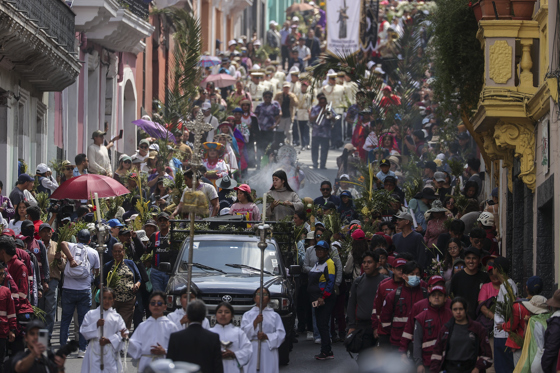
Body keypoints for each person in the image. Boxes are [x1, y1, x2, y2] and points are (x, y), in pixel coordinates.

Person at [58, 229, 101, 355]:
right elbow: (97, 271)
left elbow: (62, 243)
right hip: (84, 290)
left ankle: (62, 349)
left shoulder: (71, 246)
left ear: (77, 239)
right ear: (89, 240)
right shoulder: (94, 252)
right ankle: (82, 349)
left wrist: (71, 259)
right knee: (83, 321)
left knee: (66, 320)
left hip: (68, 289)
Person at [430, 297, 493, 373]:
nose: (458, 312)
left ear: (466, 310)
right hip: (450, 369)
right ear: (451, 311)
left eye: (461, 309)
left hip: (470, 369)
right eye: (455, 309)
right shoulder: (446, 329)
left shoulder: (478, 328)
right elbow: (437, 352)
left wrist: (477, 368)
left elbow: (487, 355)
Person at [380, 260, 427, 349]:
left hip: (420, 343)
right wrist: (394, 334)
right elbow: (385, 320)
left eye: (417, 274)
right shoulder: (394, 296)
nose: (415, 277)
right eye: (412, 274)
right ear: (403, 275)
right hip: (397, 342)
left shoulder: (425, 295)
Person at [346, 250, 387, 354]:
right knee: (364, 359)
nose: (366, 265)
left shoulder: (385, 281)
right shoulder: (358, 282)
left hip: (381, 326)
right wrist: (351, 326)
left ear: (377, 264)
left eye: (369, 262)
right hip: (362, 327)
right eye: (364, 262)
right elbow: (351, 303)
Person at [129, 291, 180, 372]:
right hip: (146, 363)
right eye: (153, 303)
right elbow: (133, 345)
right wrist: (143, 349)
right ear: (149, 306)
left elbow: (178, 348)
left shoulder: (171, 326)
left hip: (164, 363)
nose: (156, 305)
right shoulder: (142, 326)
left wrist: (164, 351)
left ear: (165, 306)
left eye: (159, 303)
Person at [80, 287, 128, 373]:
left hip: (110, 351)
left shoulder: (117, 317)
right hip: (94, 349)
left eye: (110, 298)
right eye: (104, 298)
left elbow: (124, 333)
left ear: (114, 299)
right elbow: (83, 331)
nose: (106, 301)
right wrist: (96, 325)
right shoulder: (91, 314)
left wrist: (110, 340)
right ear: (99, 299)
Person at [167, 300, 224, 372]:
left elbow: (169, 365)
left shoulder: (175, 337)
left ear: (188, 316)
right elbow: (218, 367)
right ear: (204, 317)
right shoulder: (213, 337)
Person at [501, 276, 545, 367]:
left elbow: (511, 326)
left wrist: (502, 326)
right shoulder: (545, 305)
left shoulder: (519, 306)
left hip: (521, 344)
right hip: (538, 343)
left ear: (527, 288)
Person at [241, 287, 286, 372]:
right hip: (252, 348)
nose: (261, 296)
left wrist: (267, 336)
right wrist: (255, 323)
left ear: (269, 299)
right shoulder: (247, 315)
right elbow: (243, 334)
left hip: (268, 348)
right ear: (254, 298)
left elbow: (281, 334)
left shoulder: (275, 316)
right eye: (259, 294)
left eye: (265, 294)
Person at [411, 285, 453, 373]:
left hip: (449, 361)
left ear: (446, 299)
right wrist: (419, 364)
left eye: (440, 295)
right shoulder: (421, 318)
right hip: (428, 363)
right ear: (429, 299)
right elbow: (417, 342)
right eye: (433, 295)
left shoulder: (452, 315)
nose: (436, 297)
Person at [100, 243, 141, 329]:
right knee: (111, 324)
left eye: (120, 251)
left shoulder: (130, 263)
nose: (117, 253)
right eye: (115, 251)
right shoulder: (108, 265)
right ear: (112, 252)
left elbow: (139, 278)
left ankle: (122, 341)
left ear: (124, 252)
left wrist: (137, 285)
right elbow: (100, 280)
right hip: (112, 302)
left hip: (128, 301)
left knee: (123, 326)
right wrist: (103, 288)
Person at [307, 240, 336, 360]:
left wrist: (322, 297)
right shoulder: (317, 263)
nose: (319, 251)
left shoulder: (329, 263)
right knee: (319, 323)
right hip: (316, 299)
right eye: (317, 249)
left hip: (324, 299)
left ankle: (326, 351)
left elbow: (330, 282)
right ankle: (326, 350)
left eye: (321, 249)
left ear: (327, 251)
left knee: (323, 324)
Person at [38, 223, 65, 341]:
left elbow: (63, 267)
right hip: (39, 281)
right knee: (39, 310)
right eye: (44, 231)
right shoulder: (37, 245)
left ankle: (46, 338)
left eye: (48, 231)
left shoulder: (57, 246)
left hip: (53, 281)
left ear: (51, 233)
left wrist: (59, 259)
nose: (46, 233)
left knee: (50, 310)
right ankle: (40, 338)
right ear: (40, 234)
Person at [490, 257, 518, 373]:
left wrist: (504, 326)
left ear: (496, 269)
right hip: (503, 332)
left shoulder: (507, 286)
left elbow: (510, 311)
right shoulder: (507, 285)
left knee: (503, 368)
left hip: (504, 334)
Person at [211, 302, 253, 373]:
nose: (223, 314)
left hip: (233, 367)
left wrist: (234, 354)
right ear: (215, 315)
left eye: (227, 312)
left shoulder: (239, 332)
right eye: (220, 312)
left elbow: (248, 350)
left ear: (232, 316)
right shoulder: (210, 332)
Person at [450, 247, 490, 320]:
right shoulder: (457, 277)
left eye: (474, 258)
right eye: (468, 258)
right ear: (465, 259)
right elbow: (452, 297)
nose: (471, 261)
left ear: (479, 260)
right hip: (461, 318)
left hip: (480, 318)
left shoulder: (485, 277)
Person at [310, 92, 337, 169]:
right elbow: (311, 119)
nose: (322, 104)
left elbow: (335, 119)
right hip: (316, 132)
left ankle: (323, 164)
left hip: (326, 132)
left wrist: (329, 115)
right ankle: (315, 163)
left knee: (324, 149)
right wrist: (320, 113)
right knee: (314, 149)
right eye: (321, 103)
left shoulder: (329, 109)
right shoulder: (315, 108)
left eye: (324, 103)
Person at [254, 91, 280, 166]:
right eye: (266, 97)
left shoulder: (274, 106)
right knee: (260, 147)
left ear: (271, 98)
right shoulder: (259, 106)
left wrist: (275, 125)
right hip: (261, 130)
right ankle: (259, 164)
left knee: (270, 148)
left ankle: (270, 164)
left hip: (270, 130)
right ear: (263, 98)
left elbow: (278, 117)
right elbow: (255, 117)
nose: (267, 98)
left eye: (269, 97)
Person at [0, 262, 17, 370]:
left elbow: (11, 313)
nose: (3, 276)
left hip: (2, 331)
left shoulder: (6, 291)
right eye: (1, 273)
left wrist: (12, 330)